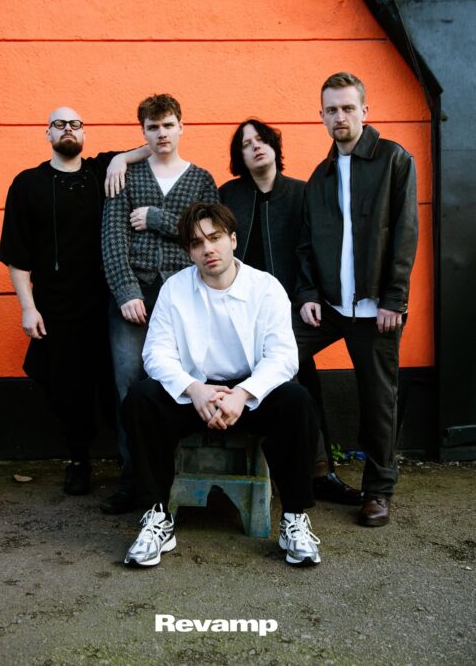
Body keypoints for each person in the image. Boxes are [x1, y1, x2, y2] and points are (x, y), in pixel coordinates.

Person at [122, 202, 321, 568]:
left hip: (248, 394)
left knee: (296, 400)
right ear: (189, 252)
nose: (207, 249)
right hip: (195, 394)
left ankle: (294, 518)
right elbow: (156, 354)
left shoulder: (265, 288)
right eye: (197, 243)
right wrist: (194, 389)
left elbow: (283, 357)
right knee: (141, 398)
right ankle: (157, 515)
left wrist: (243, 394)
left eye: (214, 238)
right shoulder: (175, 290)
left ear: (232, 239)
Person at [0, 106, 149, 495]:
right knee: (67, 388)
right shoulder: (27, 183)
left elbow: (153, 144)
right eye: (60, 124)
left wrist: (120, 160)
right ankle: (79, 460)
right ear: (47, 133)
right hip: (56, 306)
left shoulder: (100, 171)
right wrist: (28, 306)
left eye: (76, 124)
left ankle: (129, 464)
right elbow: (16, 253)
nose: (68, 129)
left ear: (84, 133)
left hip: (108, 302)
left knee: (116, 383)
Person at [296, 72, 418, 526]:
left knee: (378, 398)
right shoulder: (321, 176)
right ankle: (316, 465)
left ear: (365, 111)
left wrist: (394, 299)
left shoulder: (393, 159)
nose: (340, 117)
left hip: (376, 308)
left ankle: (378, 489)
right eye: (331, 110)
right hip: (329, 306)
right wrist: (308, 294)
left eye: (348, 108)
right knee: (281, 354)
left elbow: (405, 232)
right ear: (321, 116)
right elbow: (306, 243)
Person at [219, 119, 361, 505]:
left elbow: (314, 249)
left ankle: (318, 472)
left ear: (274, 147)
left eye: (262, 139)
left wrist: (309, 294)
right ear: (240, 156)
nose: (256, 146)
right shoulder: (229, 194)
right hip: (239, 312)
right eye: (246, 143)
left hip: (290, 308)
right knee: (290, 380)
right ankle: (309, 472)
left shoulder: (300, 192)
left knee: (300, 376)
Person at [101, 94, 219, 514]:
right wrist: (126, 291)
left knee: (184, 380)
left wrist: (156, 218)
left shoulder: (201, 179)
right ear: (144, 132)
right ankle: (133, 481)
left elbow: (208, 233)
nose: (162, 133)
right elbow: (112, 237)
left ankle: (179, 477)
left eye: (168, 125)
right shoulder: (126, 175)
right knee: (129, 387)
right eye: (153, 127)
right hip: (135, 295)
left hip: (186, 295)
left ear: (181, 127)